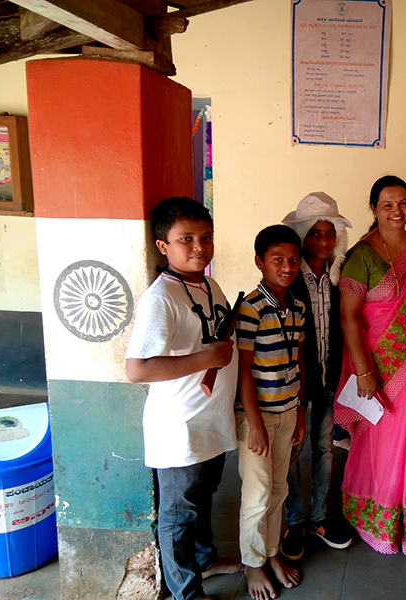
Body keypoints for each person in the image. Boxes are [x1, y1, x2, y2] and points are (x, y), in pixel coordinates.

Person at [125, 197, 243, 600]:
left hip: (211, 419)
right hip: (179, 425)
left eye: (205, 237)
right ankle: (185, 592)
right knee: (178, 514)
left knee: (203, 498)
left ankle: (205, 561)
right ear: (163, 246)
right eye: (186, 239)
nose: (199, 247)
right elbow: (137, 369)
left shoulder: (209, 285)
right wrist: (206, 359)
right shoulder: (161, 298)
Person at [335, 175, 406, 563]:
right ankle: (376, 516)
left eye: (403, 203)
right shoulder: (361, 255)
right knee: (378, 441)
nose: (397, 211)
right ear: (374, 209)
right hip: (378, 368)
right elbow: (348, 317)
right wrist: (365, 372)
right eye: (387, 205)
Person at [235, 225, 307, 600]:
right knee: (258, 493)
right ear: (259, 262)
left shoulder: (297, 308)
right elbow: (243, 371)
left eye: (293, 260)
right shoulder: (251, 309)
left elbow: (297, 362)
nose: (287, 267)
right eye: (277, 259)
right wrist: (255, 424)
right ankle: (252, 564)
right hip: (257, 417)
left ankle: (272, 552)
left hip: (288, 411)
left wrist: (301, 412)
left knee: (279, 488)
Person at [279, 192, 353, 559]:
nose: (323, 241)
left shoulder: (341, 275)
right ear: (302, 235)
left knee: (324, 448)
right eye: (315, 233)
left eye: (330, 232)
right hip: (294, 379)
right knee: (292, 449)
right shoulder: (289, 275)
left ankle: (319, 518)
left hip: (329, 375)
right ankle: (295, 520)